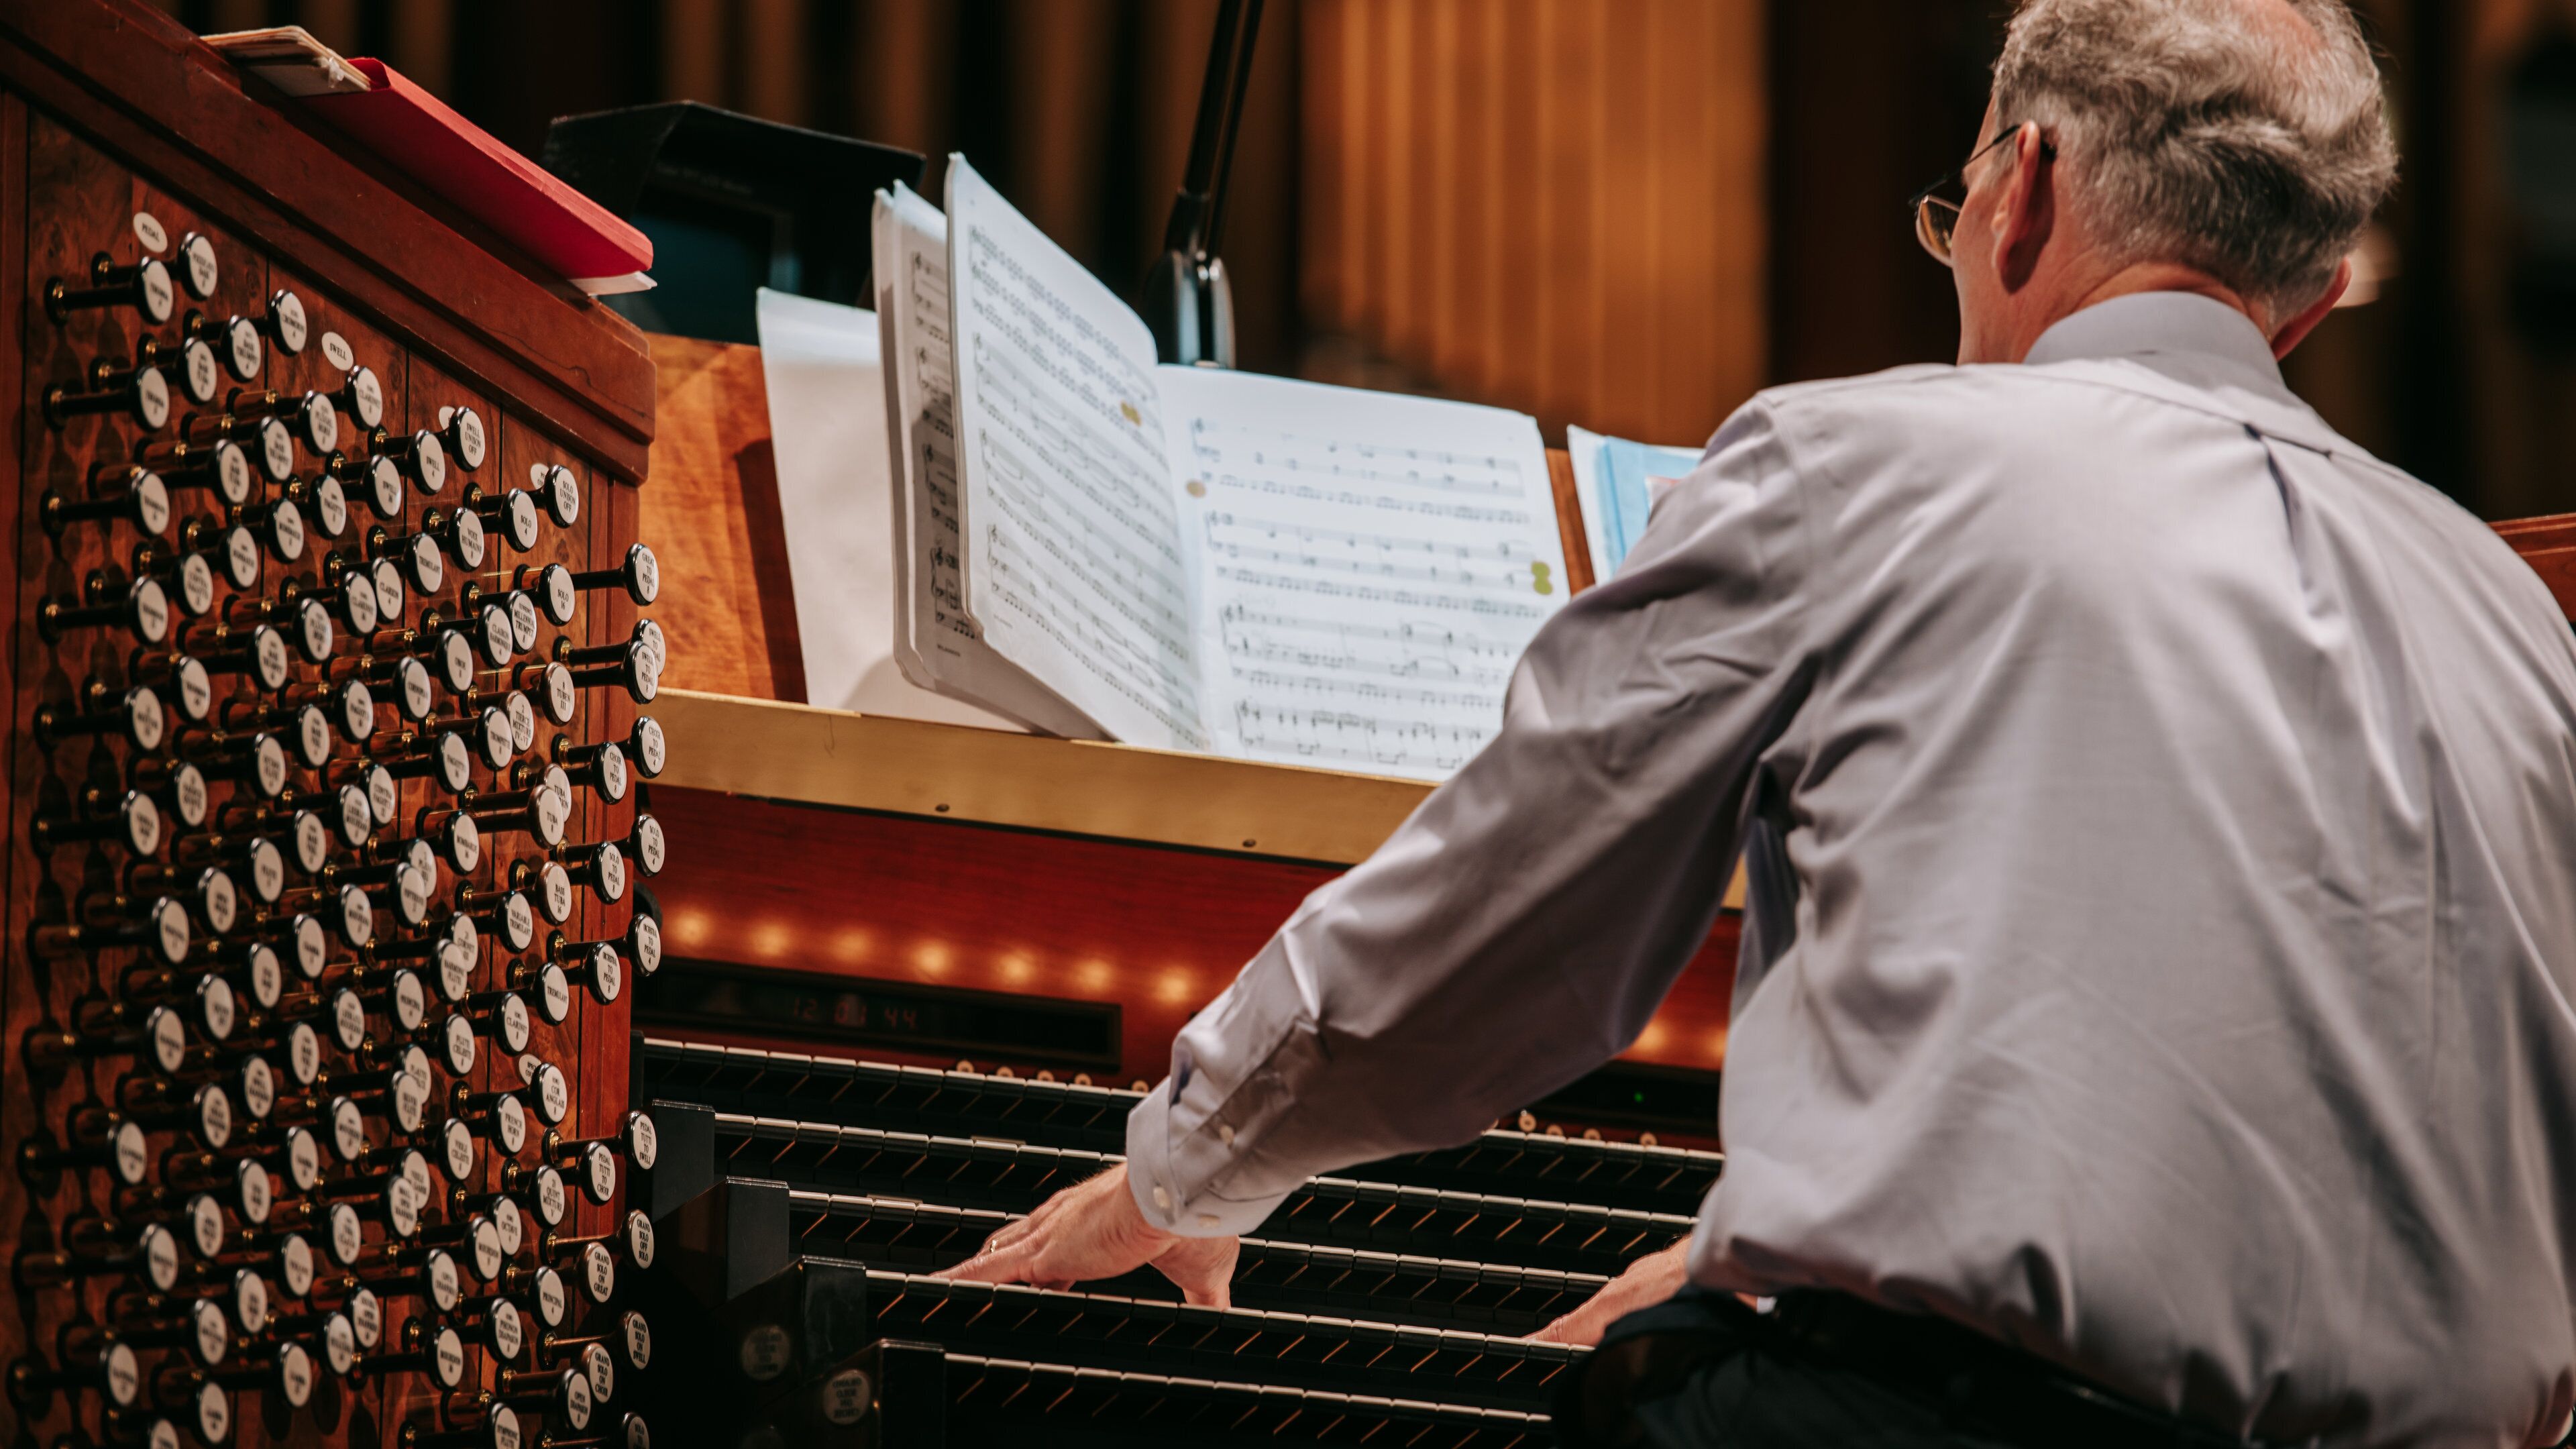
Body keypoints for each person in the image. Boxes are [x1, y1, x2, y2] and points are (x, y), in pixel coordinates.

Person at [941, 0, 2576, 1444]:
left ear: (2030, 186)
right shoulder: (2510, 615)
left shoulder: (1868, 465)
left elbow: (1505, 934)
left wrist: (1184, 1166)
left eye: (1955, 209)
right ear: (2305, 303)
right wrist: (1804, 1233)